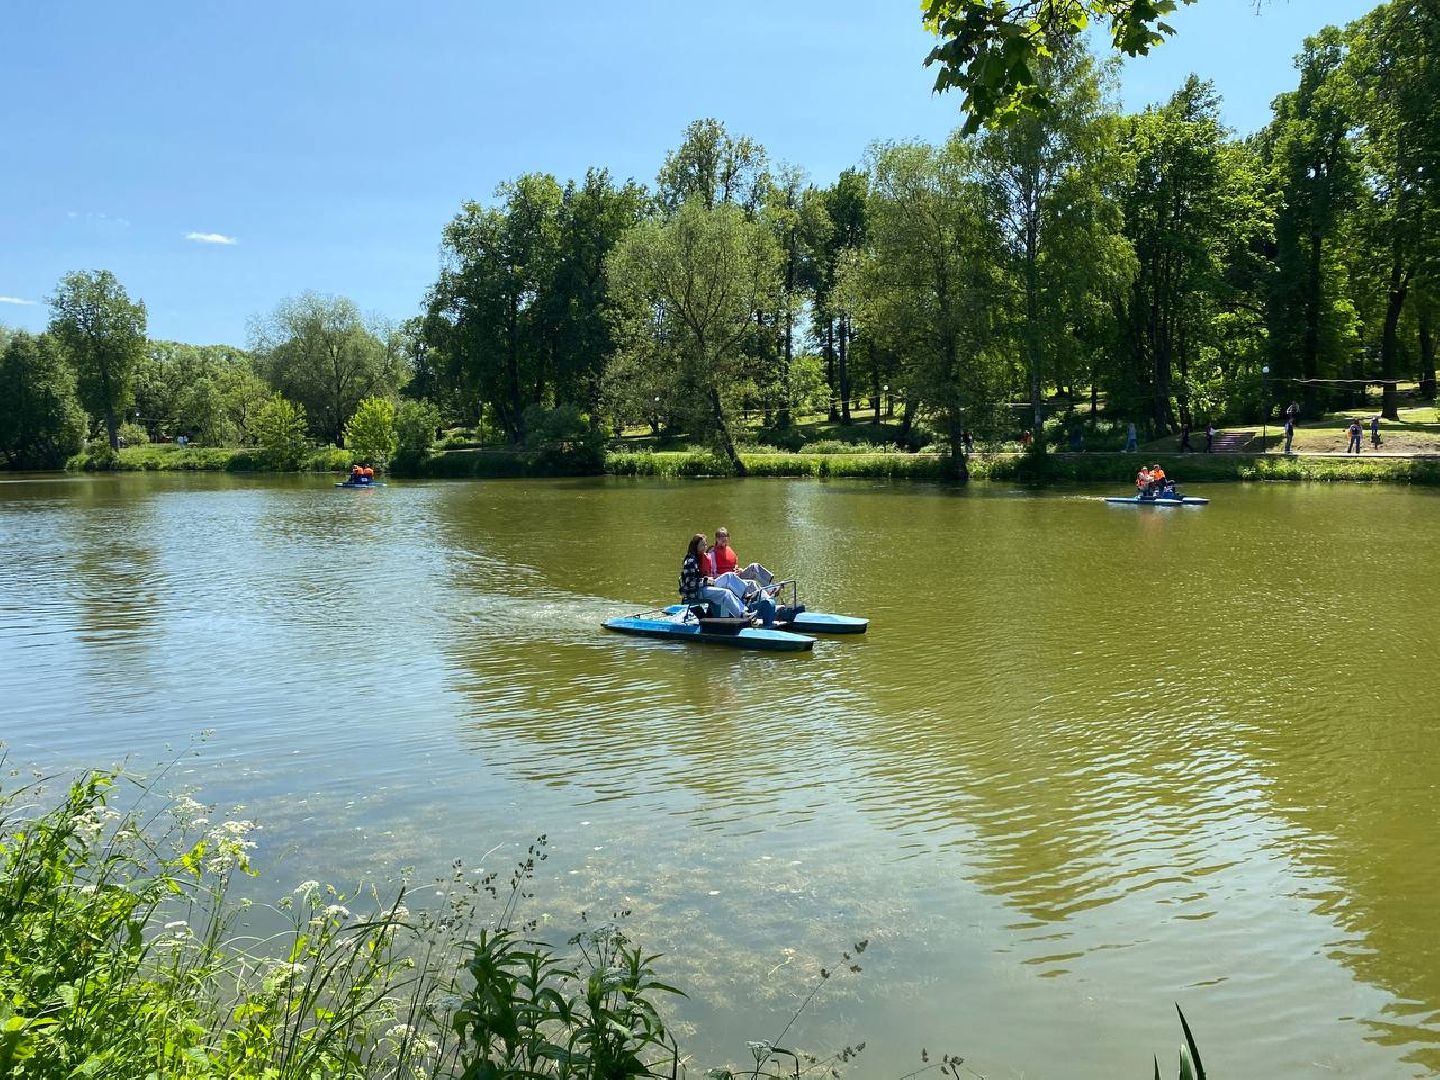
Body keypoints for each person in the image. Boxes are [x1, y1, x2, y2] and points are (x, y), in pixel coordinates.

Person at [679, 533, 745, 619]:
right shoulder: (690, 561)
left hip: (705, 585)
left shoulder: (700, 557)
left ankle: (745, 598)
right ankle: (741, 615)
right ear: (695, 546)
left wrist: (708, 580)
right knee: (726, 593)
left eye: (705, 545)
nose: (705, 547)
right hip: (696, 591)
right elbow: (690, 583)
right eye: (702, 545)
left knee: (729, 576)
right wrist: (706, 581)